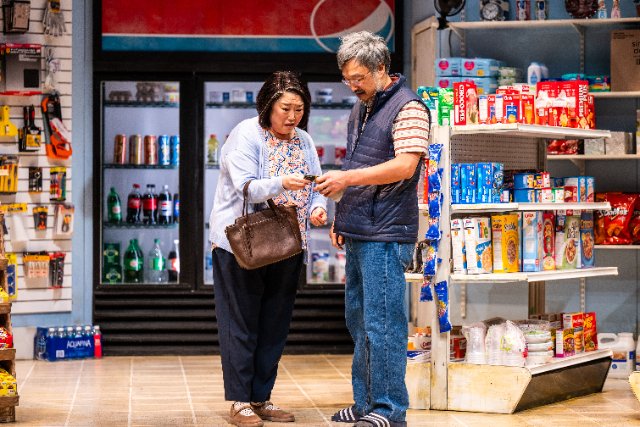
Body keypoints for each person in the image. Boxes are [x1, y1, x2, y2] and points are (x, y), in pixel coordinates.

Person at [315, 31, 431, 427]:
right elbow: (356, 166)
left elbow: (405, 166)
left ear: (381, 68)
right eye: (347, 79)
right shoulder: (360, 108)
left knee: (384, 324)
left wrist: (346, 181)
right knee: (359, 320)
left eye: (359, 78)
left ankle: (389, 410)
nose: (353, 86)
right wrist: (341, 215)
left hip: (386, 232)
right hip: (359, 228)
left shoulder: (409, 108)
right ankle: (365, 403)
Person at [208, 71, 328, 427]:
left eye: (299, 109)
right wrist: (282, 183)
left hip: (288, 244)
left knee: (274, 324)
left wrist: (318, 205)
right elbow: (245, 186)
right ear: (268, 105)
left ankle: (261, 397)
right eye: (285, 109)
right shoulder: (246, 133)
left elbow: (317, 183)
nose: (292, 117)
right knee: (240, 323)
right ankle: (239, 401)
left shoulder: (304, 140)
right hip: (242, 245)